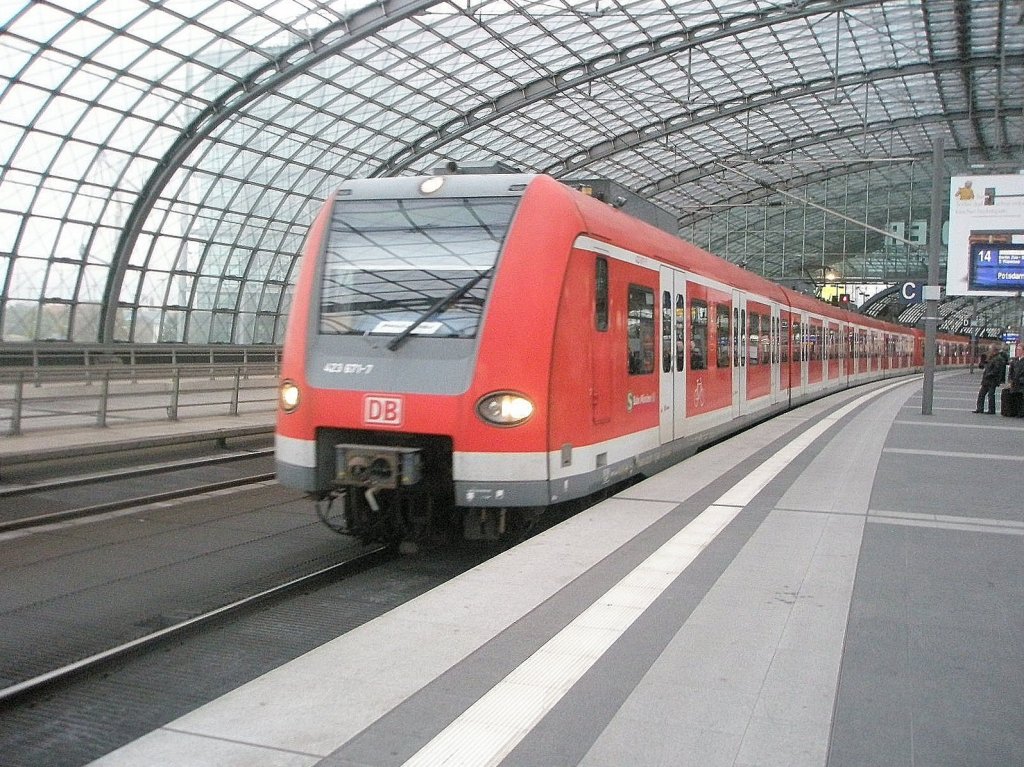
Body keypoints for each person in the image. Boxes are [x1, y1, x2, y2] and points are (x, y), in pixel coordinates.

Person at [974, 349, 1008, 413]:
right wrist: (983, 362)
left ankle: (991, 409)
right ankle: (980, 408)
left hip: (992, 380)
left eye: (990, 350)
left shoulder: (998, 359)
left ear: (994, 351)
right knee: (982, 394)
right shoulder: (990, 358)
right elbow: (982, 366)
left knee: (991, 395)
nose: (989, 352)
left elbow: (996, 370)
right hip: (987, 380)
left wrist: (988, 374)